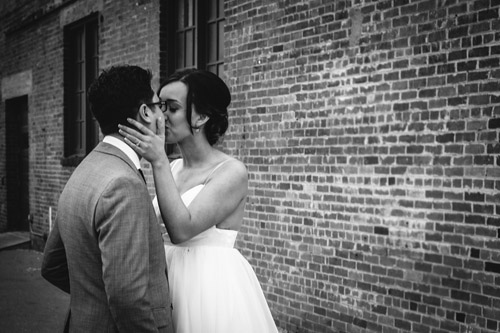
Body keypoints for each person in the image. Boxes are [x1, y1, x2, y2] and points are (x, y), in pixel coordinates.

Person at [118, 68, 278, 333]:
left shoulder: (232, 172)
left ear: (201, 116)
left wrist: (157, 160)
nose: (161, 116)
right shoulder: (173, 168)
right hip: (166, 280)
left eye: (172, 108)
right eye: (159, 106)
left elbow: (181, 230)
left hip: (207, 289)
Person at [41, 65, 174, 333]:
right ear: (145, 112)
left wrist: (94, 299)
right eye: (160, 105)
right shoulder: (123, 184)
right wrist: (110, 302)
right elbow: (128, 301)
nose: (165, 115)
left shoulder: (86, 168)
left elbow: (52, 265)